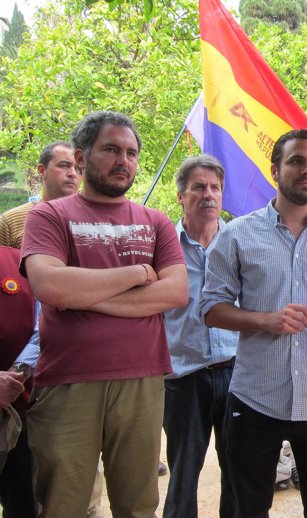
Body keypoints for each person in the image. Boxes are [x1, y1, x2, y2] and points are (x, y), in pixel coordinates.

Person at [20, 110, 188, 518]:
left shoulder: (156, 222)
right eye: (111, 149)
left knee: (138, 506)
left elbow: (176, 291)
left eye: (131, 153)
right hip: (68, 382)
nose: (123, 161)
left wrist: (83, 294)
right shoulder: (49, 216)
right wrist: (134, 274)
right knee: (63, 506)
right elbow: (50, 285)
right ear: (81, 158)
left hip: (142, 380)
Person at [200, 129, 307, 518]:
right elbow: (210, 308)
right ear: (275, 170)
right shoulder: (237, 234)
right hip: (255, 397)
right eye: (296, 161)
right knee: (247, 508)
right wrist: (265, 320)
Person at [162, 155, 238, 518]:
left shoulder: (241, 242)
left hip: (237, 373)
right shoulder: (162, 247)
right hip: (183, 377)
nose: (208, 195)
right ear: (181, 196)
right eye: (198, 187)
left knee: (239, 473)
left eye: (215, 188)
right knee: (183, 474)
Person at [0, 141, 80, 248]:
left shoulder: (94, 220)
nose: (73, 174)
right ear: (42, 171)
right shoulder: (10, 222)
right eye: (64, 165)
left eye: (79, 169)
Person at [0, 245, 33, 493]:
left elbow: (46, 325)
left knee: (25, 503)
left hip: (21, 409)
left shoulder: (20, 263)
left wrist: (18, 372)